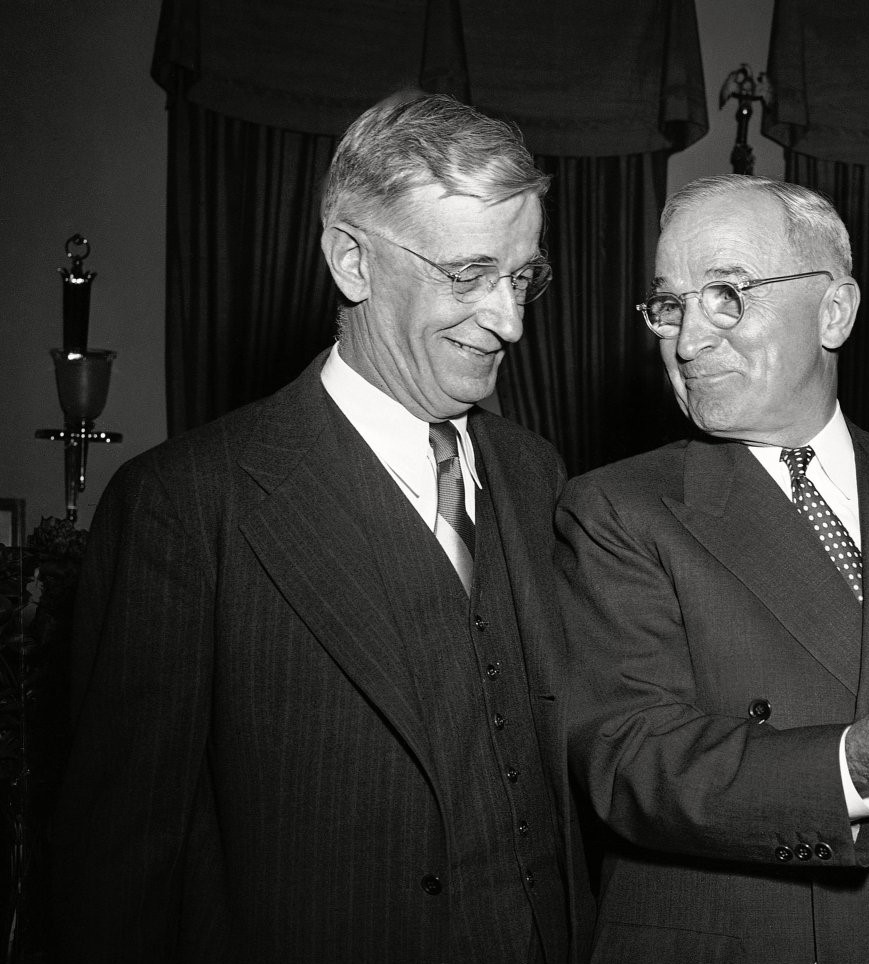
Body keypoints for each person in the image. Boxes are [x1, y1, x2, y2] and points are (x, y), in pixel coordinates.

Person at [52, 94, 588, 963]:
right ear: (351, 259)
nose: (509, 321)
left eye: (523, 276)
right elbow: (118, 871)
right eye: (467, 275)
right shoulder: (188, 505)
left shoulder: (535, 473)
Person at [556, 175, 869, 963]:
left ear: (833, 311)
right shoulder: (617, 509)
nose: (687, 340)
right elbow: (629, 764)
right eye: (670, 305)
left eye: (726, 294)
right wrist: (859, 760)